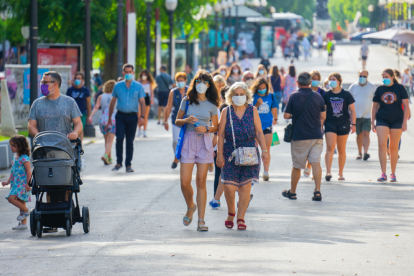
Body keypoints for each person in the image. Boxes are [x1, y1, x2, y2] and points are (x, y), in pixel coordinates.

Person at [28, 71, 83, 233]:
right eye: (42, 82)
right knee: (48, 182)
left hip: (65, 150)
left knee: (65, 183)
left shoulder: (69, 102)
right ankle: (51, 219)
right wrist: (38, 135)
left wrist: (75, 133)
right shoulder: (37, 104)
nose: (43, 85)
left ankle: (63, 213)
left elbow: (78, 123)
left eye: (46, 82)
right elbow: (31, 125)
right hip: (44, 150)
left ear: (55, 84)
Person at [216, 82, 269, 230]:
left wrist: (264, 151)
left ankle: (240, 217)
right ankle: (231, 212)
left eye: (241, 94)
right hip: (230, 153)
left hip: (249, 152)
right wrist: (219, 155)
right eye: (236, 95)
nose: (239, 97)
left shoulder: (252, 111)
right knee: (229, 187)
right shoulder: (226, 111)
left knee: (245, 187)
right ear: (230, 97)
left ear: (246, 96)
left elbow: (259, 132)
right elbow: (220, 134)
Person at [175, 70, 219, 231]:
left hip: (204, 142)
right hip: (188, 140)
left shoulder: (212, 104)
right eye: (198, 81)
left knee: (201, 181)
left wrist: (206, 128)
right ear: (194, 83)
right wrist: (186, 120)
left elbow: (217, 126)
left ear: (209, 85)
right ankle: (190, 206)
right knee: (184, 182)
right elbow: (177, 121)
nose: (201, 85)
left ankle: (201, 220)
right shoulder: (186, 101)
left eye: (205, 82)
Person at [282, 72, 326, 200]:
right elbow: (323, 116)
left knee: (297, 165)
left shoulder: (294, 96)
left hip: (300, 135)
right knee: (315, 162)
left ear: (298, 83)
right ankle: (317, 191)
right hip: (317, 135)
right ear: (310, 82)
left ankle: (293, 192)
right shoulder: (318, 96)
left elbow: (286, 116)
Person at [106, 64, 146, 173]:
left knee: (130, 141)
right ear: (123, 73)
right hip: (120, 116)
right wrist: (109, 117)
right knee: (119, 138)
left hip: (133, 116)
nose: (128, 74)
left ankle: (128, 164)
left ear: (133, 73)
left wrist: (142, 116)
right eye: (126, 72)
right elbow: (113, 101)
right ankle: (119, 162)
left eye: (130, 72)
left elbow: (142, 102)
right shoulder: (117, 86)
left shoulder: (138, 86)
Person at [372, 68, 410, 182]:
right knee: (382, 145)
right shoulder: (379, 89)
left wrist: (404, 122)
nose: (384, 79)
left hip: (396, 120)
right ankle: (383, 173)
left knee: (393, 148)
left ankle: (393, 173)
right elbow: (374, 106)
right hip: (382, 119)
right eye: (383, 77)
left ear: (393, 77)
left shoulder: (400, 88)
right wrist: (372, 122)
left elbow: (406, 106)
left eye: (387, 77)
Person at [323, 73, 356, 181]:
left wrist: (353, 124)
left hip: (343, 123)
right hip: (330, 123)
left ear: (339, 81)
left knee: (341, 149)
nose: (331, 81)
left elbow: (352, 110)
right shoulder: (326, 95)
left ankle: (340, 173)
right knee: (330, 147)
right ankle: (328, 171)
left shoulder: (346, 94)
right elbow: (324, 111)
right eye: (330, 79)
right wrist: (320, 124)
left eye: (334, 79)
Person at [2, 136, 32, 230]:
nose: (11, 147)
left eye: (13, 145)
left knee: (11, 198)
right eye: (11, 145)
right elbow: (13, 171)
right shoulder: (15, 157)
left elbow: (28, 171)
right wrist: (7, 182)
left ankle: (26, 210)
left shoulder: (24, 158)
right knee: (21, 201)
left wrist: (28, 183)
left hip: (22, 184)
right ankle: (23, 224)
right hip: (15, 183)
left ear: (20, 146)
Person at [252, 78, 278, 181]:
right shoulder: (253, 96)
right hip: (255, 126)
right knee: (254, 149)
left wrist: (275, 118)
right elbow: (249, 110)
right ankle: (254, 172)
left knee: (266, 149)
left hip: (267, 125)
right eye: (260, 88)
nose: (262, 90)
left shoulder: (271, 95)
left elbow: (274, 107)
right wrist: (257, 104)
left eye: (264, 88)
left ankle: (266, 171)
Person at [349, 70, 376, 161]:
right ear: (358, 75)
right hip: (356, 115)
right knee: (359, 134)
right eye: (361, 76)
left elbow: (376, 102)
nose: (362, 78)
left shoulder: (372, 87)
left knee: (366, 133)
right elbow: (348, 100)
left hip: (368, 115)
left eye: (364, 76)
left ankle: (365, 152)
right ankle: (359, 152)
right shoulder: (353, 87)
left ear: (367, 76)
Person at [209, 86, 229, 209]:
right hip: (230, 149)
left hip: (221, 149)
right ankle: (244, 197)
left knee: (220, 174)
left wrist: (212, 149)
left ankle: (216, 199)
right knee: (235, 176)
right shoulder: (226, 110)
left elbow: (217, 134)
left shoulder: (221, 110)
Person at [303, 70, 326, 178]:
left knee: (316, 148)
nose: (315, 81)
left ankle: (312, 167)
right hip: (306, 122)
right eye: (313, 79)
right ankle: (308, 165)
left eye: (317, 79)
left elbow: (325, 110)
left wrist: (321, 124)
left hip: (319, 124)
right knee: (307, 146)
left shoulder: (323, 93)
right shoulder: (304, 91)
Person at [163, 72, 188, 169]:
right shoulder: (173, 92)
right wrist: (165, 121)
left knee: (186, 141)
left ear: (185, 81)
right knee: (175, 141)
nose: (180, 82)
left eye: (182, 80)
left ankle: (181, 159)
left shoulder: (189, 90)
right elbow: (168, 107)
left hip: (187, 120)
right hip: (176, 120)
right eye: (178, 81)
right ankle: (177, 157)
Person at [88, 80, 117, 165]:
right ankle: (105, 155)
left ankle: (109, 158)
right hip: (113, 120)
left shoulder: (101, 96)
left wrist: (91, 115)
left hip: (103, 120)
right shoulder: (116, 96)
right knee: (110, 141)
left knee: (106, 140)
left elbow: (96, 107)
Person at [66, 72, 91, 141]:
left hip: (82, 112)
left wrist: (89, 115)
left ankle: (79, 145)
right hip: (71, 113)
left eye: (79, 78)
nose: (77, 80)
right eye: (76, 78)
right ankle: (73, 144)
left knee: (80, 129)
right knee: (72, 129)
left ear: (82, 80)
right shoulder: (70, 90)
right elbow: (67, 102)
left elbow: (88, 103)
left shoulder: (85, 90)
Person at [137, 69, 156, 137]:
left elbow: (152, 92)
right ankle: (139, 130)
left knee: (145, 116)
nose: (143, 76)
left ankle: (144, 130)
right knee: (139, 115)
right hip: (139, 98)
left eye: (145, 75)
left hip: (146, 97)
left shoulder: (149, 83)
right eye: (142, 74)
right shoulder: (138, 82)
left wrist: (151, 99)